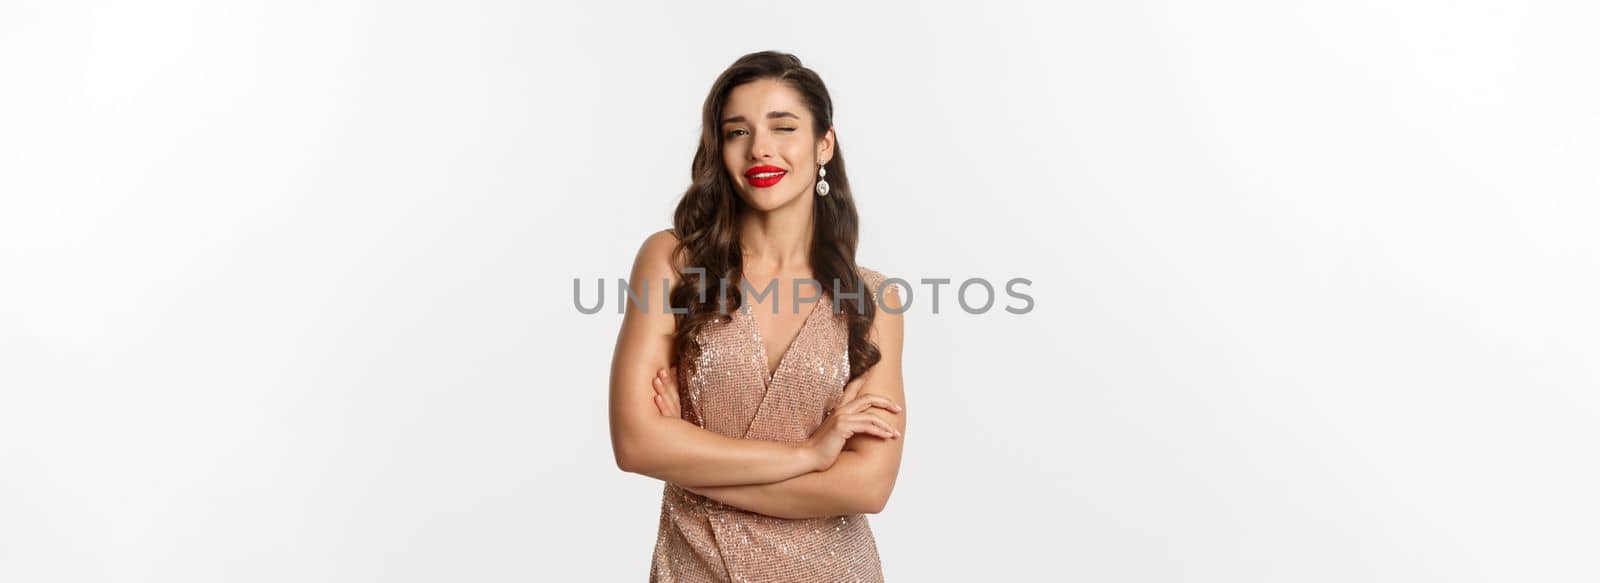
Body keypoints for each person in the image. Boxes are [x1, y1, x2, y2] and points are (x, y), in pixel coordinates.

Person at [608, 50, 908, 582]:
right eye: (737, 132)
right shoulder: (673, 262)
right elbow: (636, 444)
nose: (760, 149)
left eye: (783, 126)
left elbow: (867, 486)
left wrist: (686, 460)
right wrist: (811, 454)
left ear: (824, 144)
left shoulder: (872, 297)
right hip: (696, 566)